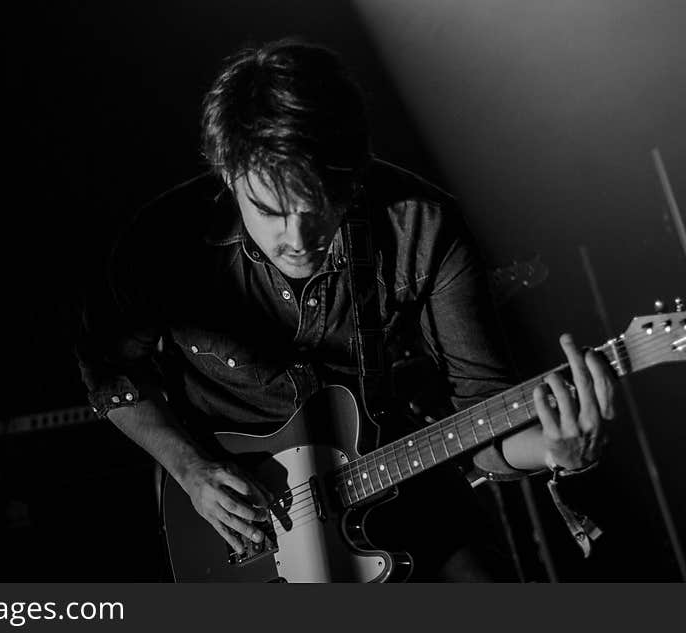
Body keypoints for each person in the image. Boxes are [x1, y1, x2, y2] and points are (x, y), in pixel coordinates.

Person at [75, 38, 616, 581]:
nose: (297, 239)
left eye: (318, 209)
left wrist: (556, 448)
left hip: (394, 476)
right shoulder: (163, 241)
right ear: (226, 173)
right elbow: (109, 370)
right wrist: (190, 468)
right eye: (270, 211)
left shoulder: (422, 229)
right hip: (241, 520)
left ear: (354, 176)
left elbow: (483, 414)